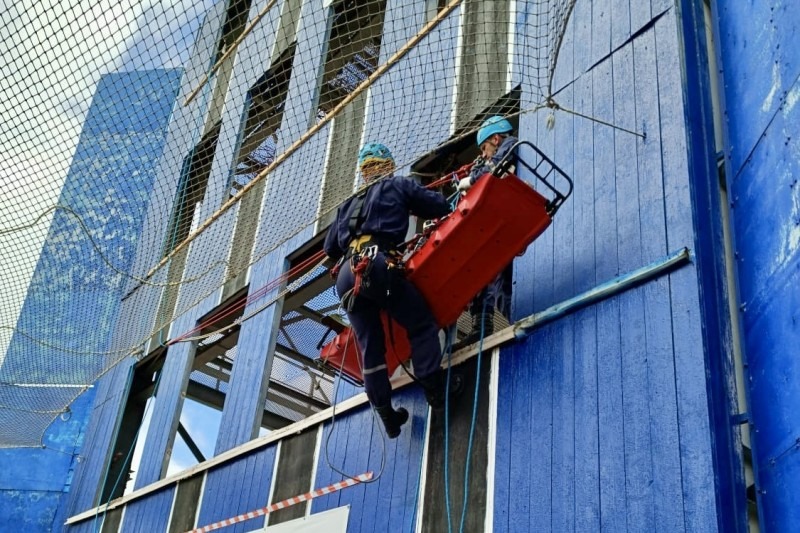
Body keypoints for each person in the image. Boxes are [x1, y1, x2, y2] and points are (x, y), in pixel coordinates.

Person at [324, 142, 458, 438]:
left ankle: (386, 414)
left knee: (371, 348)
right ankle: (435, 390)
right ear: (387, 166)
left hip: (347, 277)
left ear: (363, 172)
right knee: (421, 323)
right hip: (377, 262)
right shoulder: (398, 185)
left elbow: (329, 247)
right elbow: (438, 206)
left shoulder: (346, 206)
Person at [456, 116, 518, 343]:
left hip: (505, 217)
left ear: (495, 138)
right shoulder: (489, 162)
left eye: (484, 148)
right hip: (499, 222)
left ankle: (485, 324)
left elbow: (493, 168)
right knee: (498, 284)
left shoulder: (510, 144)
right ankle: (483, 323)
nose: (483, 154)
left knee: (496, 278)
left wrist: (471, 179)